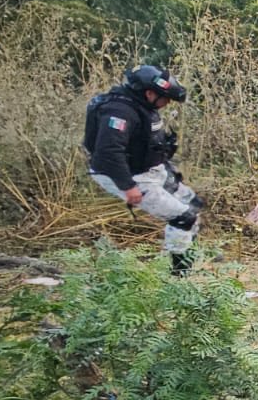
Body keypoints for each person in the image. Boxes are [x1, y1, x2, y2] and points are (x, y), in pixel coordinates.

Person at [85, 64, 202, 276]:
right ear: (149, 93)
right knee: (183, 217)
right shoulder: (120, 112)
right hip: (125, 175)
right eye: (165, 98)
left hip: (149, 169)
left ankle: (185, 255)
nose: (167, 103)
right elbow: (108, 152)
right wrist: (128, 187)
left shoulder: (141, 106)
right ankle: (179, 277)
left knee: (193, 205)